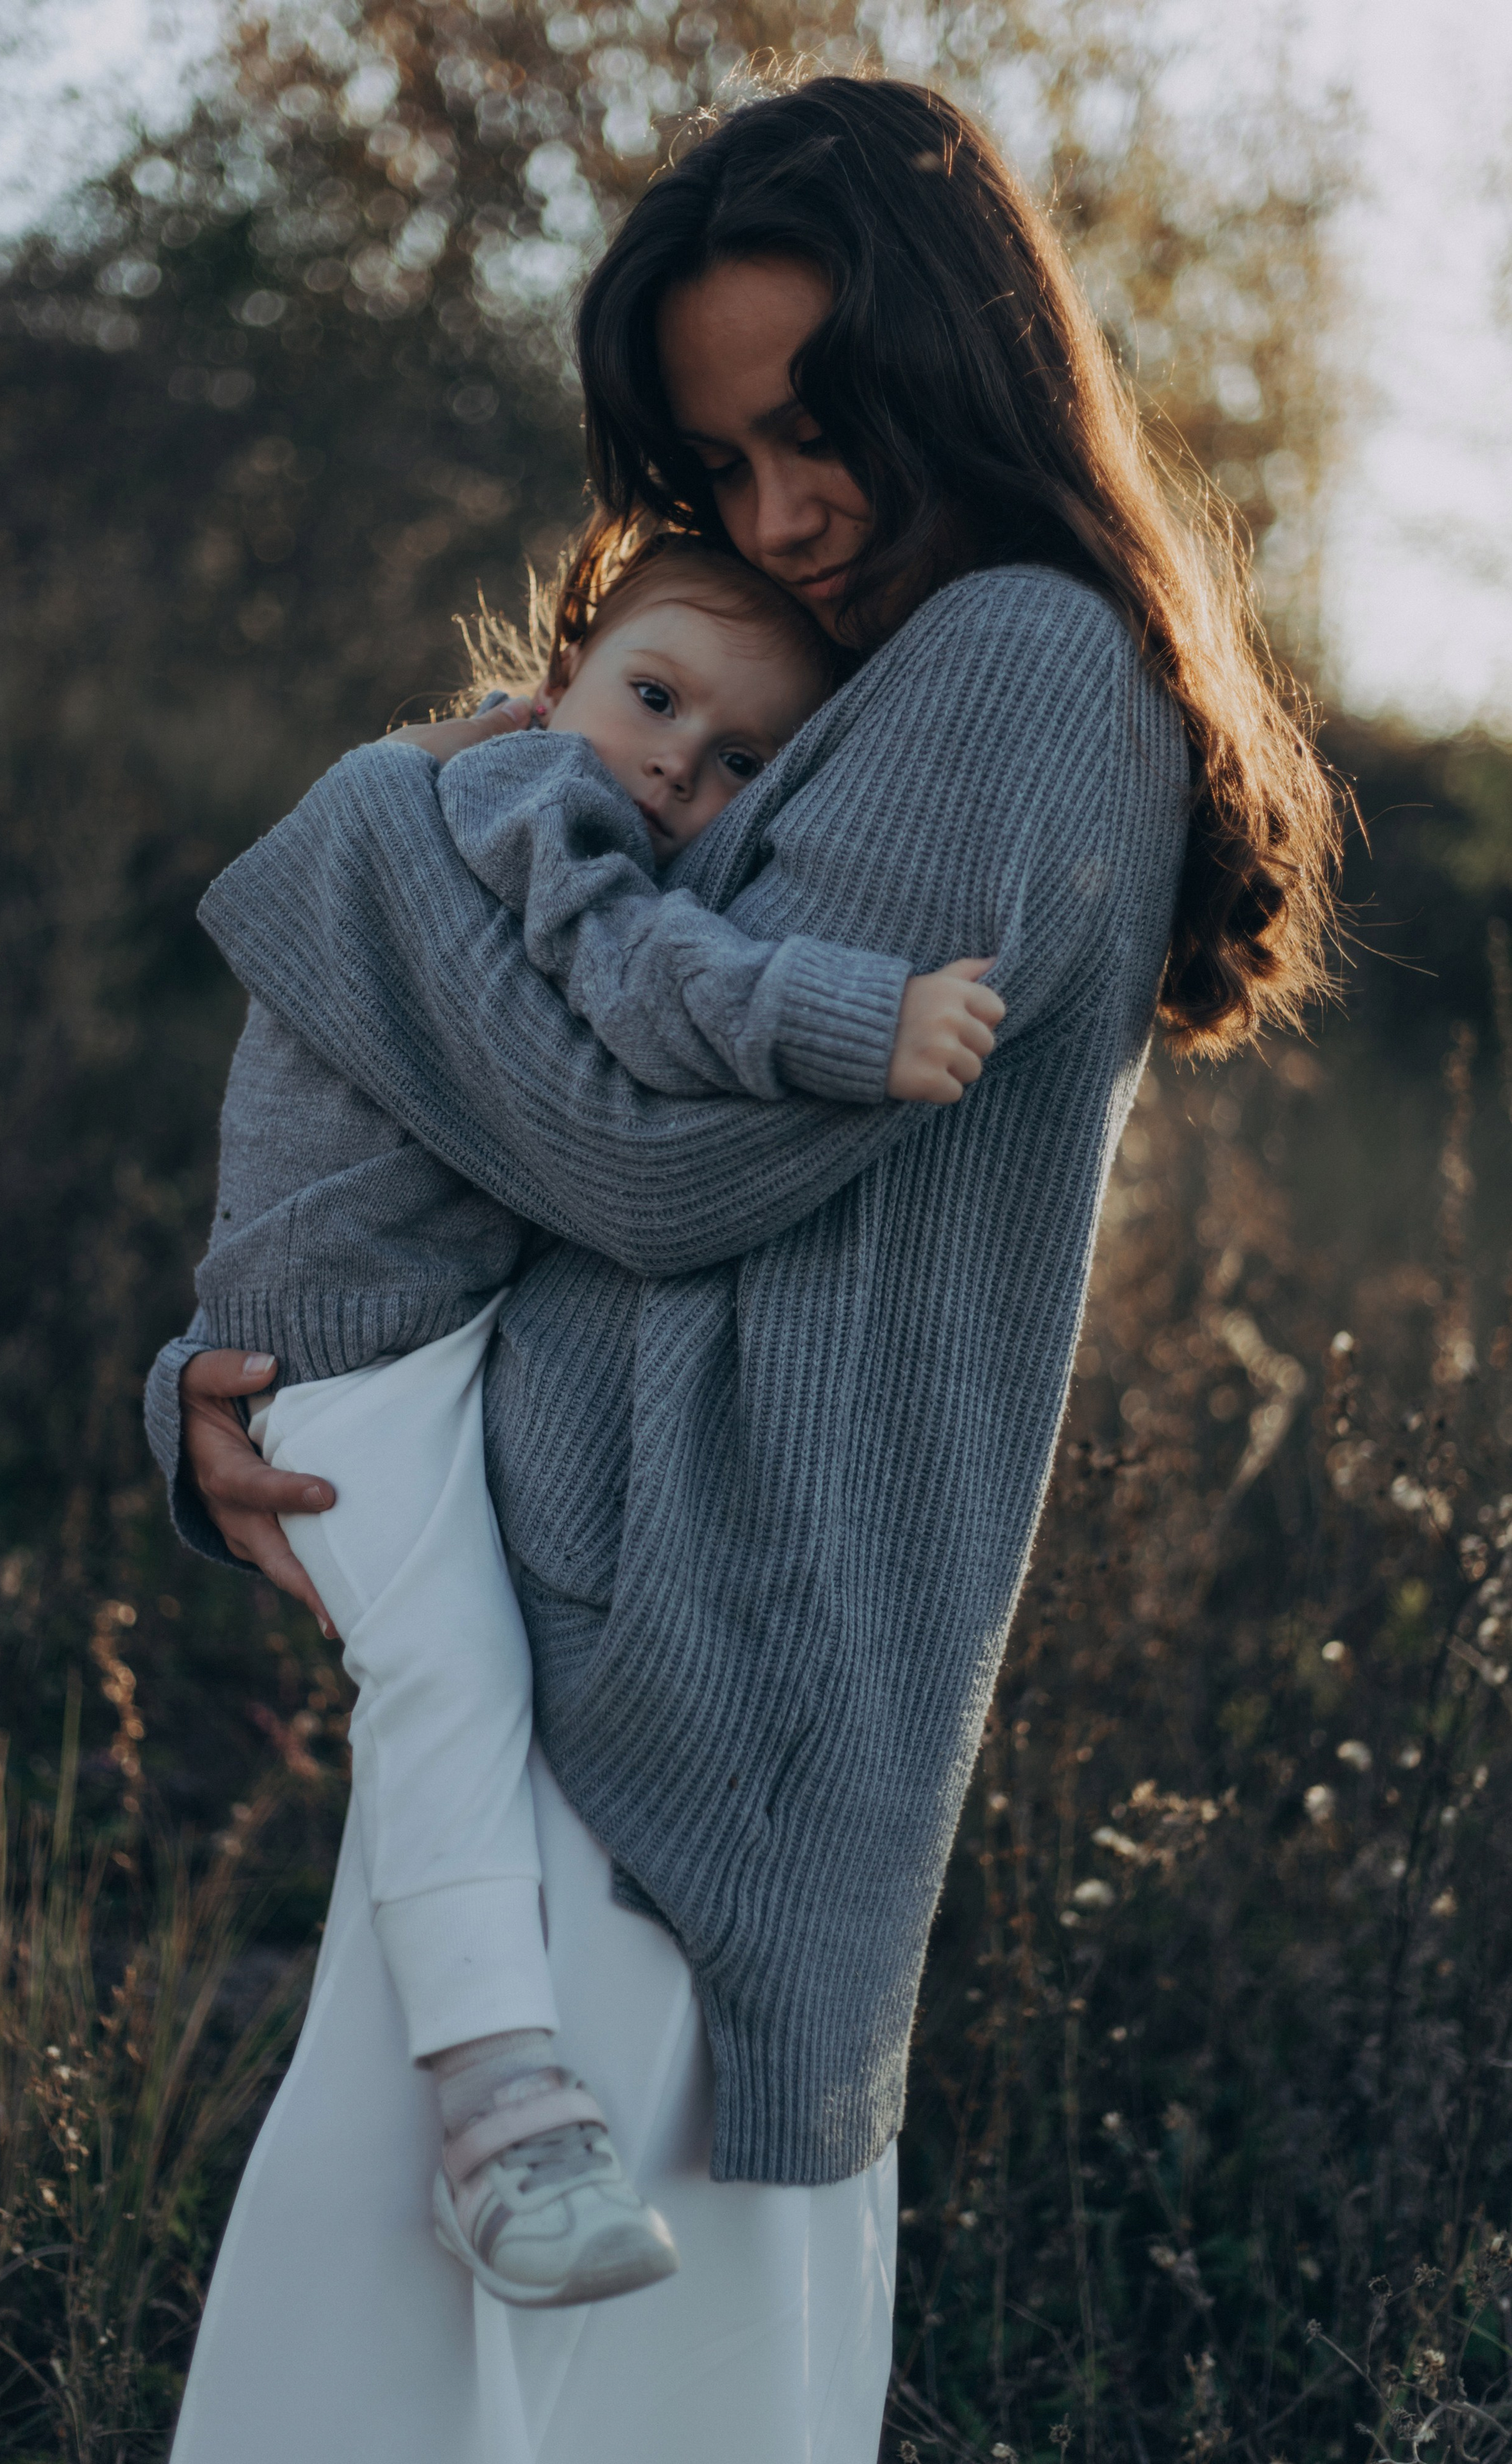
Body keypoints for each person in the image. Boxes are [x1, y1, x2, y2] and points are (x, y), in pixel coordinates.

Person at [148, 74, 1339, 2464]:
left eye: (828, 431)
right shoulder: (888, 664)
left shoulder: (1005, 654)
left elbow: (657, 1160)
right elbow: (527, 1134)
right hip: (606, 1660)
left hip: (695, 1721)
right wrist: (264, 1362)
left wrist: (372, 834)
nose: (784, 520)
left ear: (968, 372)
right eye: (722, 472)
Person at [175, 532, 1001, 2312]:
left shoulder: (522, 790)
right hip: (357, 1349)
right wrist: (873, 1019)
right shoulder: (533, 797)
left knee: (461, 1658)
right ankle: (501, 2118)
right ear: (561, 673)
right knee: (450, 1674)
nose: (673, 764)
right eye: (652, 696)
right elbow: (638, 993)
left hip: (404, 1326)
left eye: (738, 763)